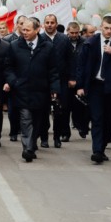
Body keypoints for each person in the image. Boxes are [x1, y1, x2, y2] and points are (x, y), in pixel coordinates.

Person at [76, 15, 111, 164]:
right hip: (95, 85)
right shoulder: (91, 42)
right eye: (106, 28)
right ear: (101, 27)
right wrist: (80, 86)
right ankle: (97, 151)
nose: (109, 31)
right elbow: (81, 65)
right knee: (97, 118)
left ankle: (102, 148)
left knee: (108, 120)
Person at [4, 18, 59, 162]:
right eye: (23, 30)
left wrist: (54, 88)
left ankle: (32, 143)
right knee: (25, 119)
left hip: (41, 91)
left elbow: (53, 69)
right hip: (21, 90)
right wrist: (13, 81)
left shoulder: (47, 46)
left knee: (38, 121)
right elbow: (8, 67)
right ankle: (27, 148)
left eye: (28, 30)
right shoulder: (15, 46)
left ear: (37, 30)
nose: (25, 32)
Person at [41, 14, 72, 148]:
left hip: (61, 80)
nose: (49, 25)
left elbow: (71, 59)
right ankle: (44, 137)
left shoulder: (64, 39)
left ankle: (57, 137)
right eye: (47, 22)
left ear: (56, 24)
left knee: (60, 110)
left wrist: (72, 78)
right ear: (43, 24)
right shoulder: (40, 38)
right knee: (43, 110)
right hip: (43, 80)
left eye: (52, 22)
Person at [67, 21, 88, 139]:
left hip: (80, 79)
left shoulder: (85, 42)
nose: (74, 35)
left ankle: (81, 127)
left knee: (80, 106)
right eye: (72, 33)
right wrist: (69, 79)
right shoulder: (64, 42)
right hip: (67, 79)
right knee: (65, 107)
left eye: (76, 33)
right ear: (68, 32)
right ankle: (65, 133)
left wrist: (79, 82)